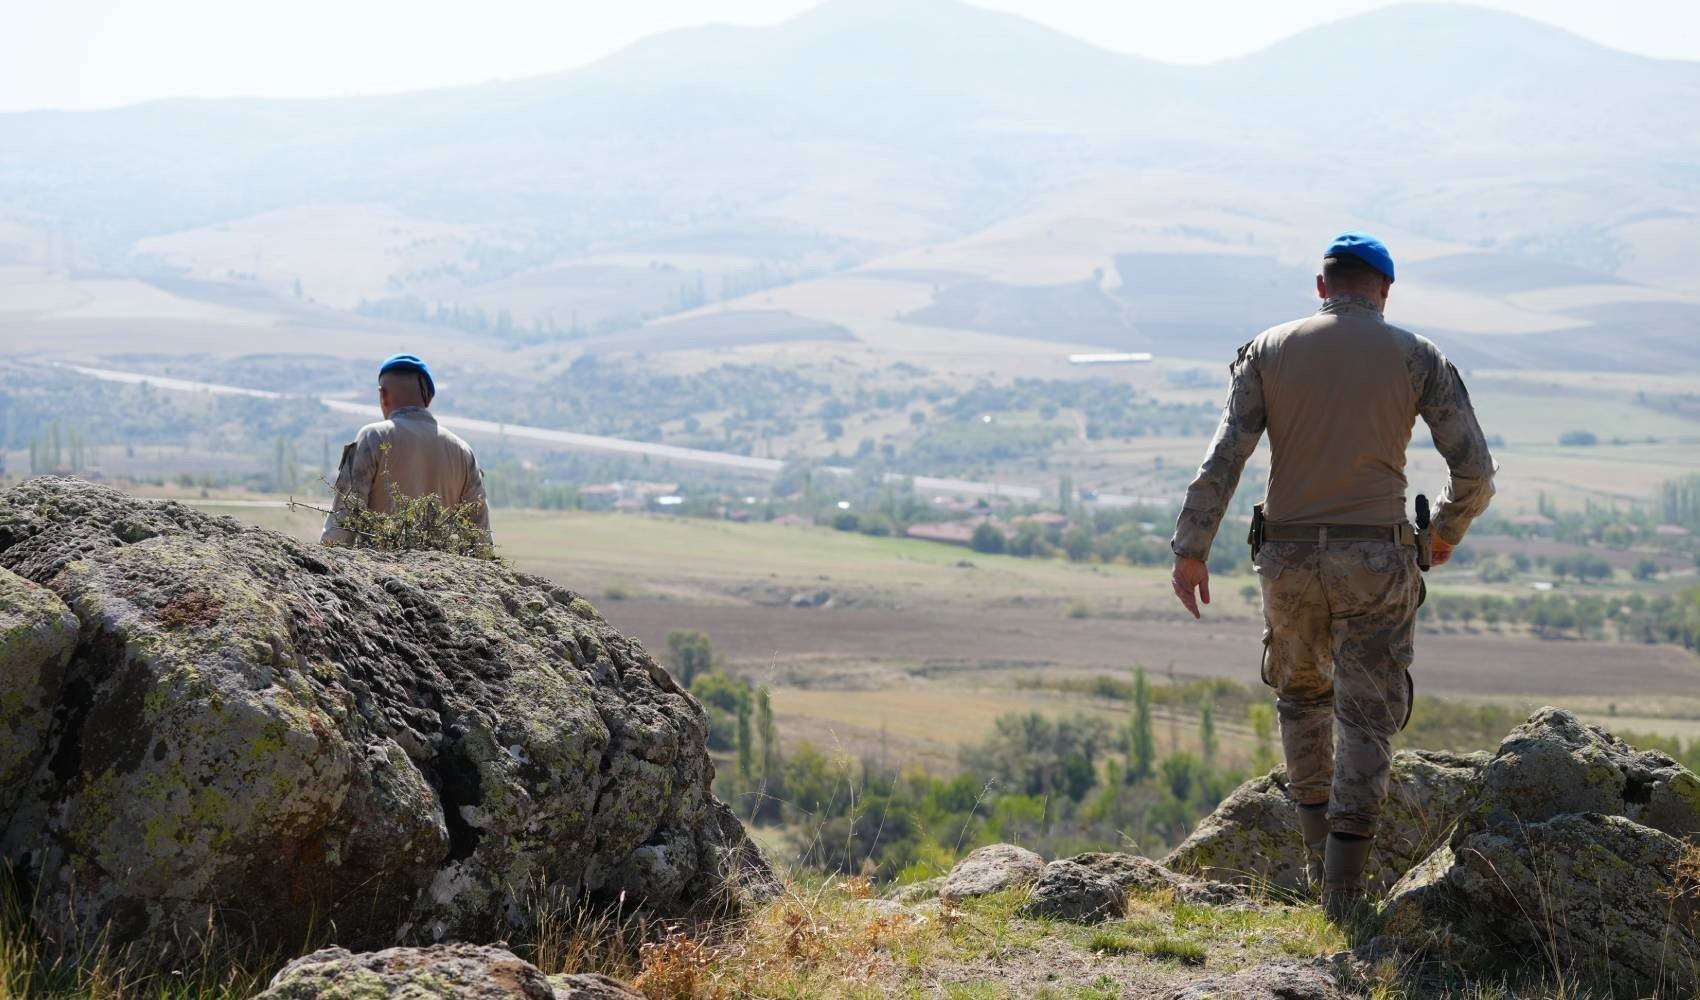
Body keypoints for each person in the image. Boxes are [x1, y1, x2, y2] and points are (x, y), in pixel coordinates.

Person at [1168, 232, 1495, 919]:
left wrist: (1192, 545)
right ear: (1384, 290)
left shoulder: (1268, 351)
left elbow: (1226, 455)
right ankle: (1344, 894)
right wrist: (1442, 532)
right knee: (1367, 714)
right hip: (1375, 559)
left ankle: (1315, 860)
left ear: (1322, 287)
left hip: (1284, 558)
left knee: (1301, 698)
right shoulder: (1416, 357)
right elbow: (1475, 471)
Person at [321, 354, 493, 550]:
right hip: (441, 575)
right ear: (428, 398)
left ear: (383, 395)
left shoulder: (373, 437)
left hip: (378, 574)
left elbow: (341, 526)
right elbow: (481, 540)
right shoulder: (463, 452)